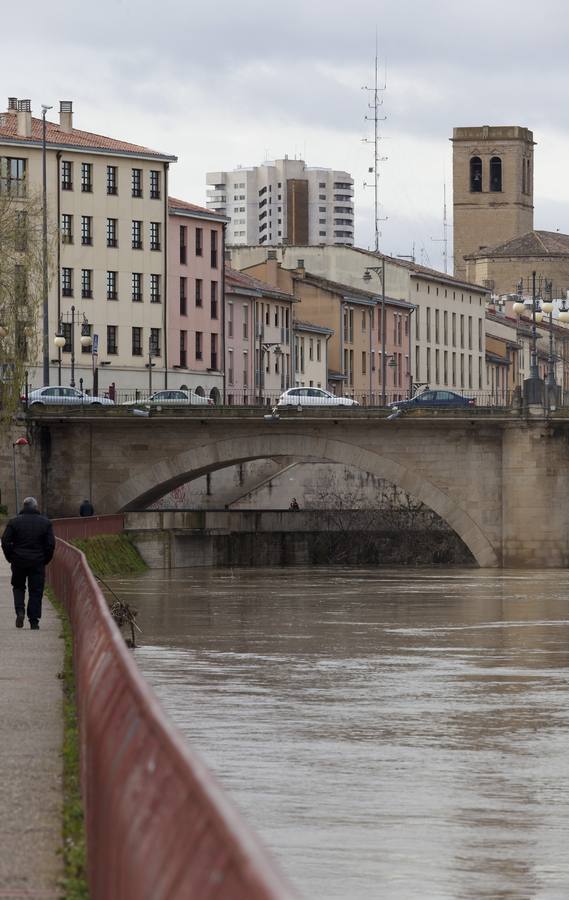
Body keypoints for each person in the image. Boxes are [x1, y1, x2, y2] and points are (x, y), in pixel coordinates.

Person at [1, 497, 55, 630]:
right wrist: (45, 559)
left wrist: (10, 557)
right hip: (37, 561)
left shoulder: (14, 522)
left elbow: (5, 541)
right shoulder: (45, 523)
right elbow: (50, 545)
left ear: (24, 506)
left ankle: (20, 611)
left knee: (18, 587)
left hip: (18, 561)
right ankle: (34, 620)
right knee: (36, 590)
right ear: (36, 507)